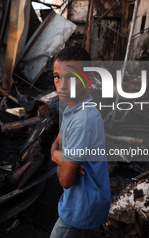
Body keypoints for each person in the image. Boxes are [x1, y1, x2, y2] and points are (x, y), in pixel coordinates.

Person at [50, 47, 111, 238]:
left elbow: (66, 180)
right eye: (57, 77)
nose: (62, 86)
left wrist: (59, 158)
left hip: (80, 209)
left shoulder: (82, 120)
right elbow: (55, 145)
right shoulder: (73, 109)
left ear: (89, 80)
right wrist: (60, 157)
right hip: (87, 201)